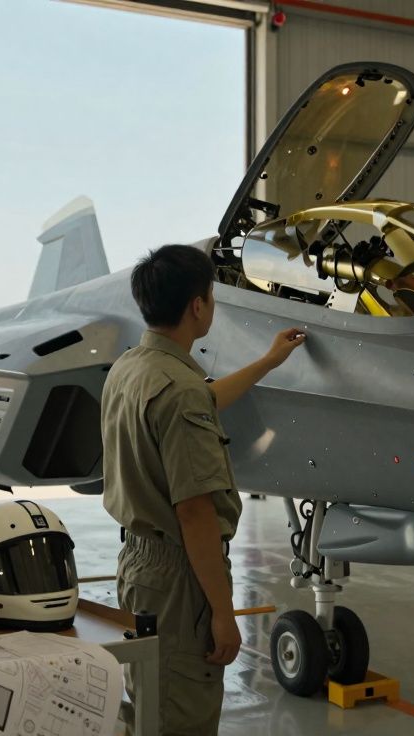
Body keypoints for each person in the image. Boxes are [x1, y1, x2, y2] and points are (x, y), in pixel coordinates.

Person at [101, 244, 305, 735]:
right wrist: (222, 612)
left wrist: (269, 362)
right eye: (212, 296)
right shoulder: (179, 390)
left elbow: (205, 399)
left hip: (139, 564)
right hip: (179, 577)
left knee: (149, 705)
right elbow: (194, 513)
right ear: (198, 305)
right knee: (181, 716)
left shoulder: (130, 368)